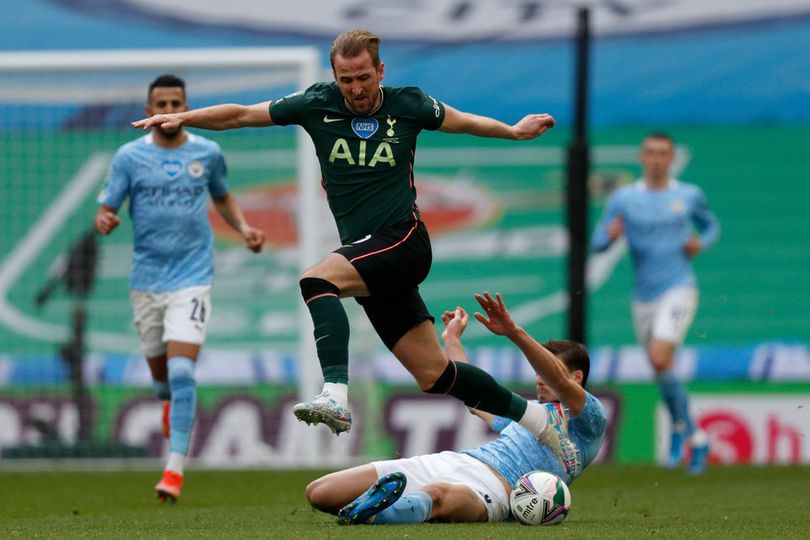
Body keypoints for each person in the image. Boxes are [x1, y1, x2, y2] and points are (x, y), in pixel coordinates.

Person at [132, 29, 558, 442]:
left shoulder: (408, 104)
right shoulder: (317, 103)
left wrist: (513, 130)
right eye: (346, 80)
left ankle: (334, 393)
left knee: (317, 279)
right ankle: (537, 419)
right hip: (370, 258)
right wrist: (185, 118)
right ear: (335, 76)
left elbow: (463, 122)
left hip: (404, 240)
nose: (355, 89)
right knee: (436, 375)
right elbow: (243, 114)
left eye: (363, 78)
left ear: (381, 70)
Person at [96, 74, 265, 502]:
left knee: (183, 371)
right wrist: (106, 220)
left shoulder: (207, 152)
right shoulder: (129, 158)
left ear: (185, 107)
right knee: (162, 382)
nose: (168, 110)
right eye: (161, 103)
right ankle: (169, 402)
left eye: (176, 103)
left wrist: (243, 227)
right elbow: (107, 208)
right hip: (146, 281)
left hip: (192, 278)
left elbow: (223, 196)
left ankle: (173, 471)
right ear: (150, 110)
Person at [304, 291, 607, 524]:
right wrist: (452, 339)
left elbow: (561, 382)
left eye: (547, 371)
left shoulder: (588, 420)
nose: (539, 379)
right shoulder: (526, 412)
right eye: (539, 372)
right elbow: (475, 396)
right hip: (455, 462)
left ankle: (378, 513)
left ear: (577, 376)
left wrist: (514, 332)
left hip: (497, 490)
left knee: (439, 496)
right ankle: (378, 510)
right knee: (320, 493)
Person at [591, 132, 720, 474]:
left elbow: (710, 226)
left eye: (663, 153)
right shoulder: (624, 198)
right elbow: (598, 241)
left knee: (661, 357)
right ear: (642, 156)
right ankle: (692, 434)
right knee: (661, 369)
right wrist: (609, 237)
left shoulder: (688, 195)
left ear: (671, 158)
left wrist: (700, 243)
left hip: (679, 288)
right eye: (651, 152)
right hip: (643, 298)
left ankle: (684, 433)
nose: (656, 159)